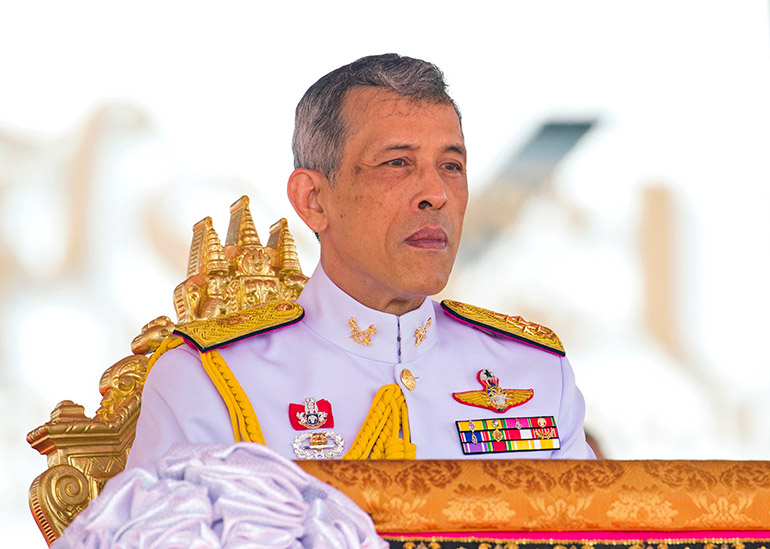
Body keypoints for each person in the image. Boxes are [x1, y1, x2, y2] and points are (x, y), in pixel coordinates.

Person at [128, 54, 595, 466]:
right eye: (397, 163)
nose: (436, 194)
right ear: (313, 199)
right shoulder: (214, 380)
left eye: (451, 166)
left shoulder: (534, 372)